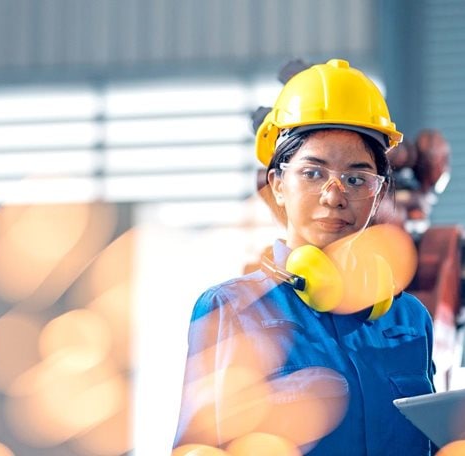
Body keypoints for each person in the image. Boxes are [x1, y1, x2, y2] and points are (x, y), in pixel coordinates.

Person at [174, 59, 436, 455]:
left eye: (356, 178)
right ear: (277, 185)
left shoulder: (410, 319)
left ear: (378, 193)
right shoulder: (232, 310)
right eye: (313, 174)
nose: (335, 196)